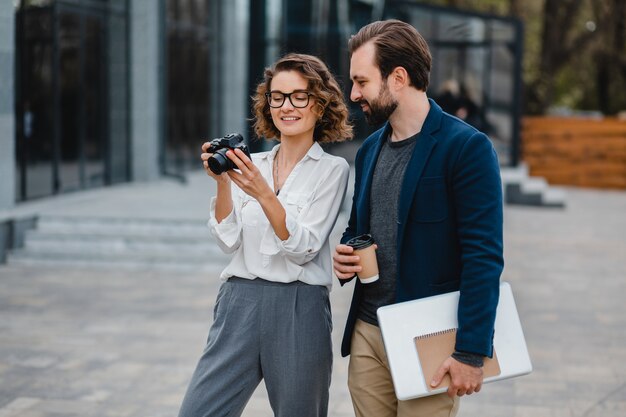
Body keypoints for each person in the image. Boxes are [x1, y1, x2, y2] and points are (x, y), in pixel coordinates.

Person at [332, 20, 503, 417]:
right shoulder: (369, 150)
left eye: (361, 81)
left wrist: (472, 352)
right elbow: (358, 229)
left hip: (430, 339)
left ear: (398, 77)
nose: (353, 93)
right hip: (368, 335)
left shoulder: (467, 149)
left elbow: (484, 257)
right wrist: (346, 255)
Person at [178, 53, 353, 417]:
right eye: (277, 96)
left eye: (299, 96)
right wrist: (223, 185)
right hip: (238, 301)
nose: (286, 106)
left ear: (320, 105)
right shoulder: (250, 164)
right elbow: (229, 241)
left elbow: (303, 248)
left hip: (299, 308)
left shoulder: (333, 170)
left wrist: (263, 194)